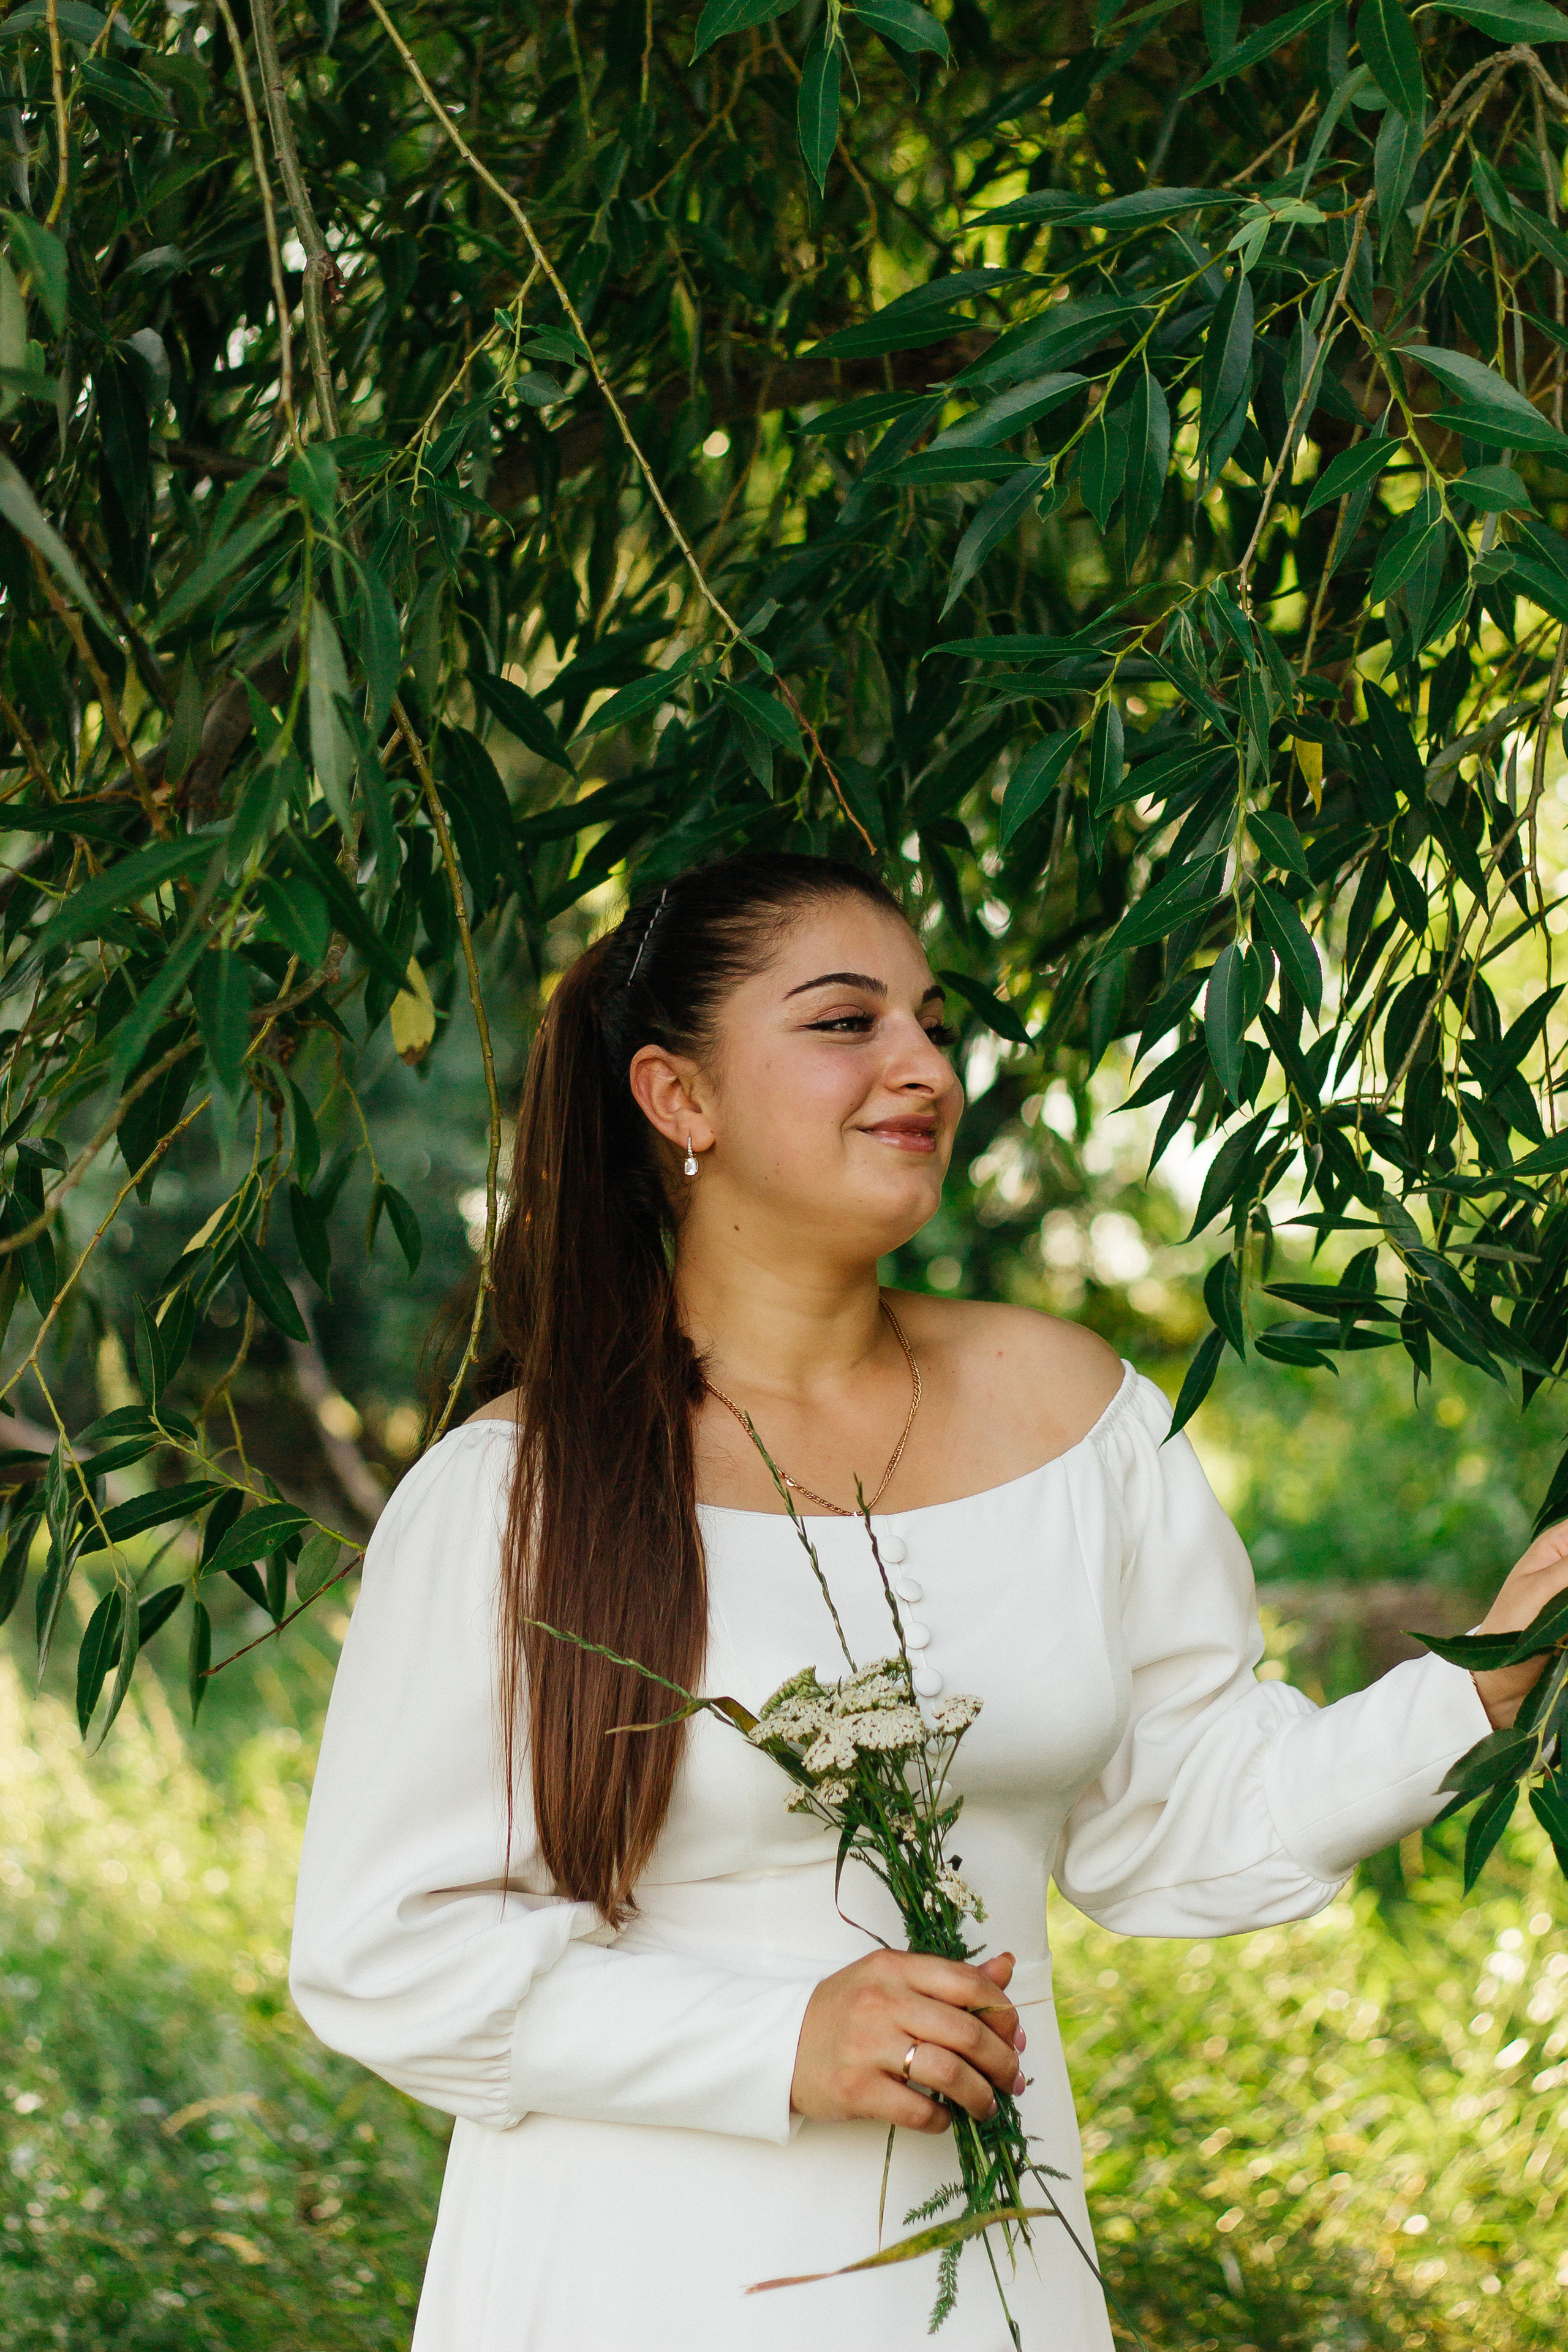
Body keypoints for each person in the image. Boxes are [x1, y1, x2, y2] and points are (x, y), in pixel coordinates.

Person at [290, 851, 1568, 2350]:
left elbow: (1178, 1821)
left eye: (930, 1022)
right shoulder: (516, 1491)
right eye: (845, 1023)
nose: (921, 1067)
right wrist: (777, 2041)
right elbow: (380, 1952)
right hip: (629, 2270)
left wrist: (1473, 1687)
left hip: (987, 2277)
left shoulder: (1073, 1413)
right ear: (675, 1098)